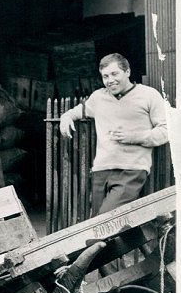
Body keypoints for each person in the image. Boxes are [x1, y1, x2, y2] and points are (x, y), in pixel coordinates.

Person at [59, 53, 168, 216]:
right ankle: (143, 240)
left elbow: (166, 131)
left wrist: (134, 137)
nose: (110, 80)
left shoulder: (149, 95)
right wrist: (66, 117)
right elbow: (79, 111)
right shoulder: (98, 97)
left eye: (114, 74)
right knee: (105, 224)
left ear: (127, 72)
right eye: (105, 76)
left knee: (103, 223)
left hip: (131, 170)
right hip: (101, 169)